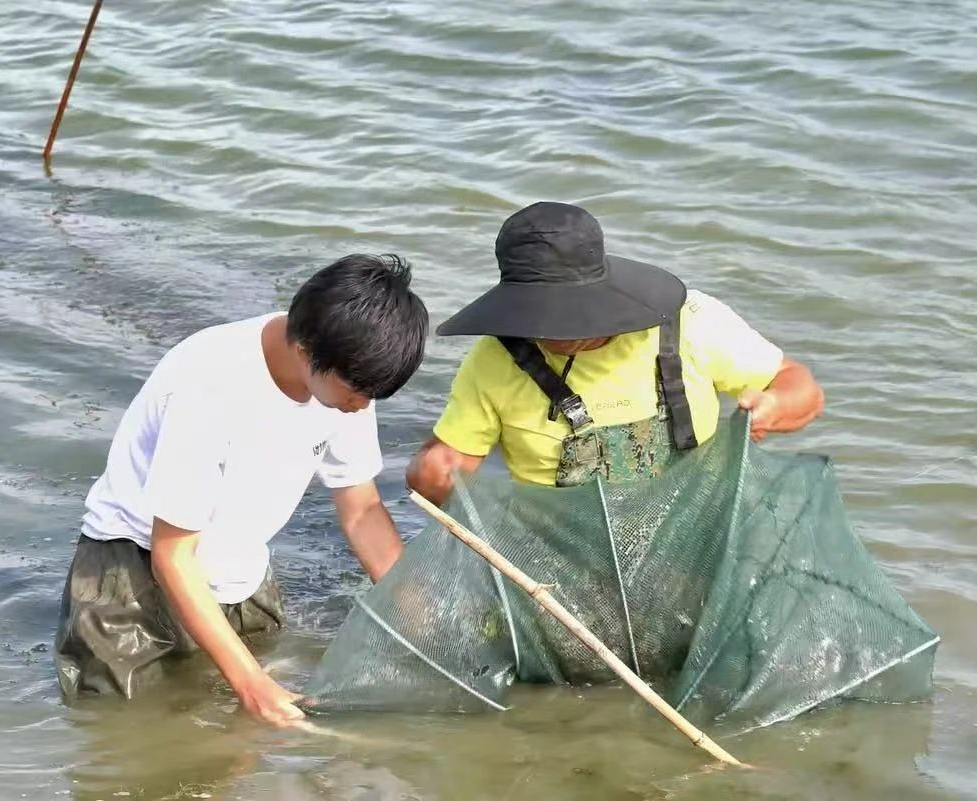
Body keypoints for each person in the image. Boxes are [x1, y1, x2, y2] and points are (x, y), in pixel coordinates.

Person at [55, 254, 428, 727]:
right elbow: (173, 554)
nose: (363, 405)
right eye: (358, 391)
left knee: (234, 737)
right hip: (134, 566)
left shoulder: (348, 383)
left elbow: (361, 511)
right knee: (130, 738)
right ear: (307, 349)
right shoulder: (210, 387)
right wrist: (250, 683)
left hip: (238, 570)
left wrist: (417, 615)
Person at [407, 201, 824, 503]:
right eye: (539, 317)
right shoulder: (493, 361)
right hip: (559, 553)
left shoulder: (690, 322)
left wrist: (775, 405)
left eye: (569, 317)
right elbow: (446, 467)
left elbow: (800, 387)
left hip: (696, 530)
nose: (554, 330)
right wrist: (433, 474)